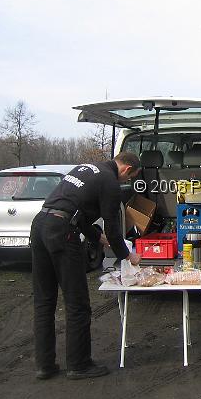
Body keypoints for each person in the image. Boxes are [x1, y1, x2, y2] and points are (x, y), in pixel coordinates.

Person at [31, 152, 142, 381]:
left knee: (44, 301)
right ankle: (79, 364)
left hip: (40, 225)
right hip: (62, 233)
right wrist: (127, 256)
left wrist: (97, 238)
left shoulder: (87, 169)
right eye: (130, 178)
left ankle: (45, 365)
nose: (127, 182)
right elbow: (113, 228)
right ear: (126, 169)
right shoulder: (110, 183)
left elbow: (77, 212)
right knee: (77, 303)